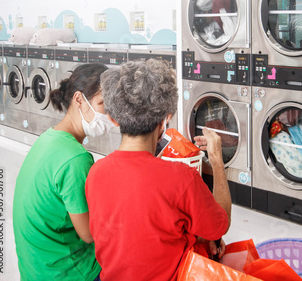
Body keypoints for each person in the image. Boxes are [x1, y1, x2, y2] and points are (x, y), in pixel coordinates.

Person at [86, 59, 231, 281]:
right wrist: (217, 161)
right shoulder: (181, 178)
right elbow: (220, 225)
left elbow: (137, 232)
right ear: (164, 121)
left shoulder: (96, 173)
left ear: (113, 119)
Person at [13, 63, 115, 280]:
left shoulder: (50, 138)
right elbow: (88, 235)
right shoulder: (75, 158)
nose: (109, 117)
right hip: (67, 272)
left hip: (36, 269)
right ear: (79, 99)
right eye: (104, 104)